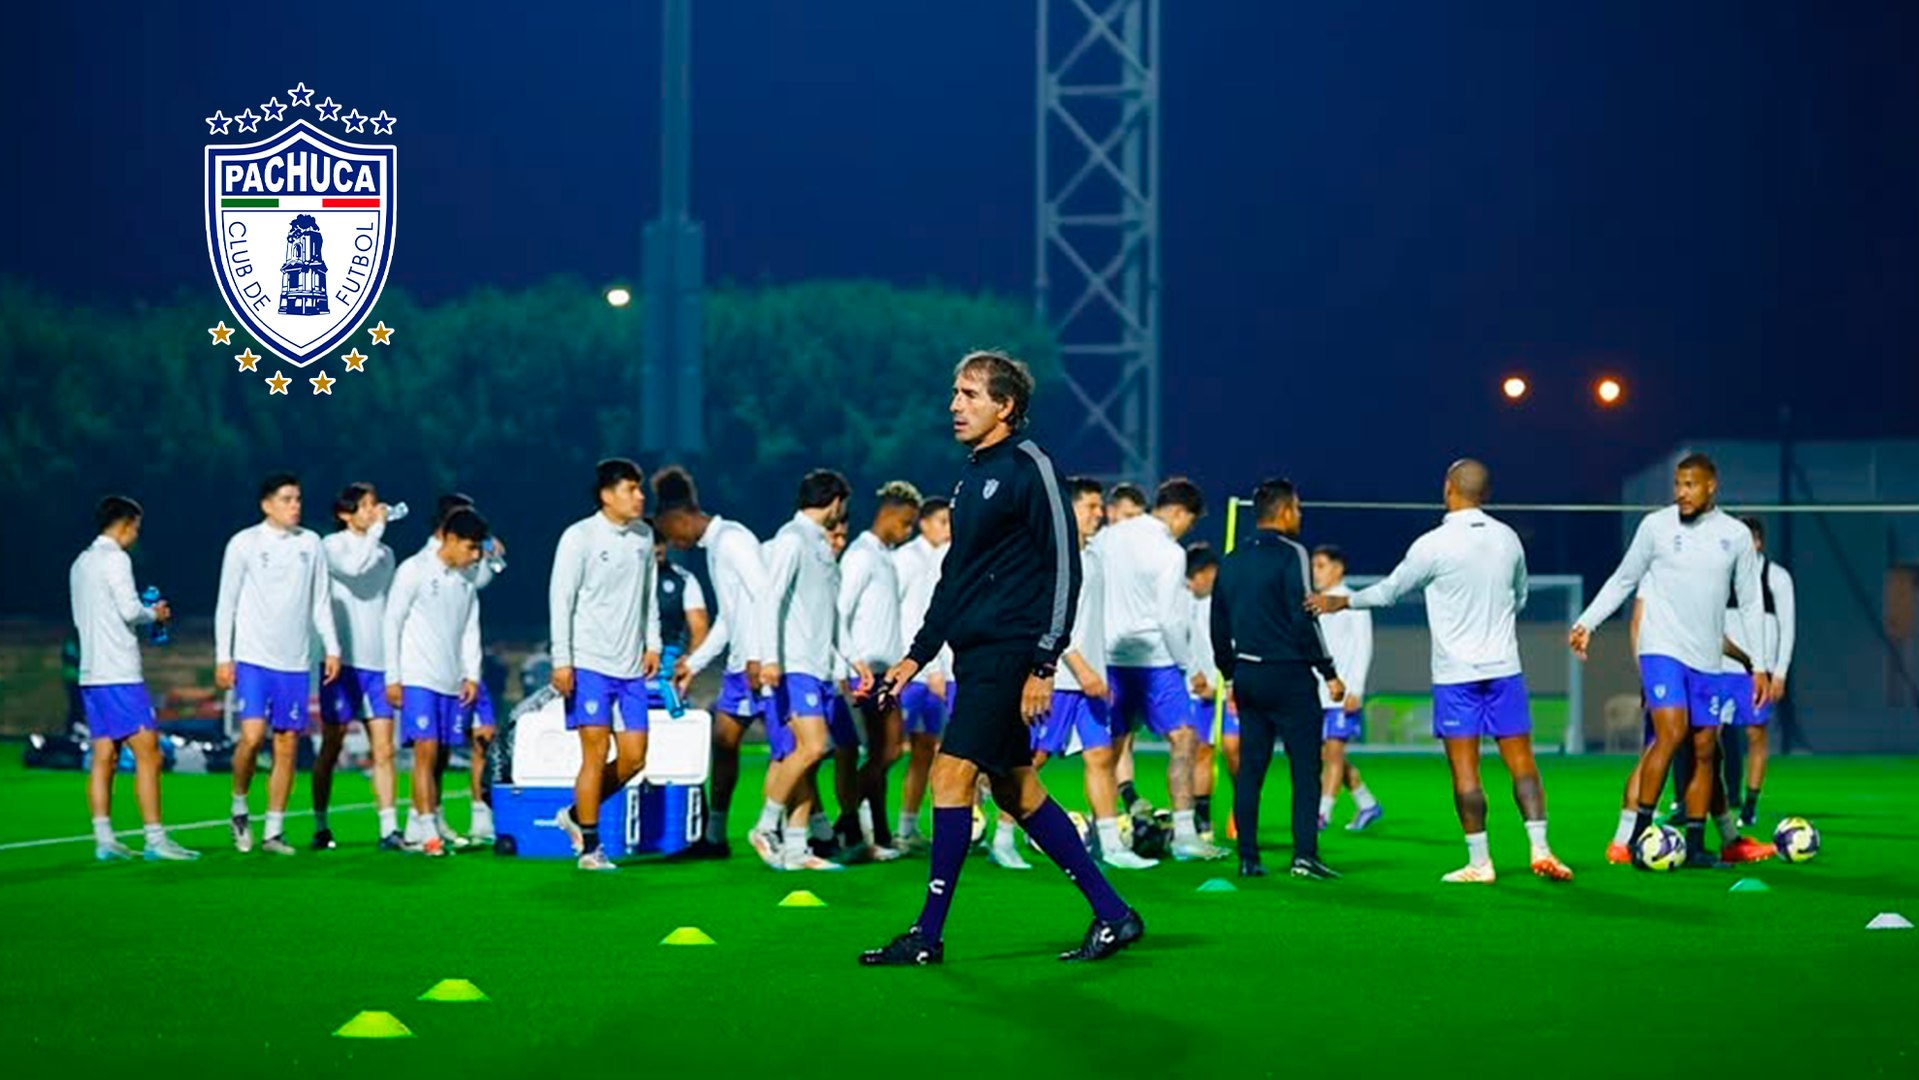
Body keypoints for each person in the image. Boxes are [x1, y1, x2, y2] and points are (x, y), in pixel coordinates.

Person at [861, 351, 1143, 966]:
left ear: (1004, 406)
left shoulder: (1030, 465)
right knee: (1017, 789)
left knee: (950, 774)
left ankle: (927, 935)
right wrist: (915, 658)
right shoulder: (972, 476)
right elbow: (955, 577)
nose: (954, 405)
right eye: (954, 393)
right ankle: (1115, 915)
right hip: (975, 653)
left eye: (968, 394)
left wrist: (1044, 663)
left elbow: (1064, 566)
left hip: (1009, 654)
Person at [1314, 460, 1573, 883]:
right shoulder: (1508, 539)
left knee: (1466, 772)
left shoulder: (1432, 544)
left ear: (1448, 488)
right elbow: (1520, 596)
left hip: (1456, 676)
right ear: (1485, 494)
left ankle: (1480, 862)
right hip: (1505, 667)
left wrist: (1341, 601)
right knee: (1523, 764)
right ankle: (1541, 849)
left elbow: (1390, 591)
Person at [1571, 453, 1772, 869]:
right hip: (1661, 647)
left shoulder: (1734, 535)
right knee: (1672, 731)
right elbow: (1623, 579)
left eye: (1690, 485)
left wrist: (1761, 665)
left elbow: (1751, 602)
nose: (1681, 493)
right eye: (1677, 484)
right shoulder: (1656, 527)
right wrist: (1587, 622)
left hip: (1706, 657)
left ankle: (1697, 847)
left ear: (1711, 486)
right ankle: (1640, 839)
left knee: (1704, 747)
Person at [1210, 479, 1343, 879]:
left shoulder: (1231, 559)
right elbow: (1304, 616)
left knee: (1251, 767)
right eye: (1297, 508)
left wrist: (1230, 671)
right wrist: (1328, 671)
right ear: (1284, 511)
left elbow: (1217, 622)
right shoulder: (1292, 554)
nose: (1299, 515)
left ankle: (1248, 857)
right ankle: (1304, 856)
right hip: (1289, 675)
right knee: (1305, 769)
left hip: (1248, 673)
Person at [1030, 476, 1159, 871]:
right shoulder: (1054, 556)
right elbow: (1047, 622)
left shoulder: (1095, 557)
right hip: (1062, 679)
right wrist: (1084, 670)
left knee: (1101, 757)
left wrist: (1099, 673)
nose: (1098, 513)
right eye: (1090, 506)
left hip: (1091, 683)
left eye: (1100, 506)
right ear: (1068, 510)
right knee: (1031, 760)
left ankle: (1111, 845)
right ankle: (1001, 838)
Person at [1095, 477, 1223, 861]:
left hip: (1111, 658)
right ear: (1180, 513)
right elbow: (1169, 620)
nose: (1187, 530)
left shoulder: (1109, 538)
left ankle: (1109, 837)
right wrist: (1189, 667)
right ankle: (1185, 836)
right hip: (1155, 661)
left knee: (1109, 749)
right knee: (1184, 740)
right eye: (1190, 522)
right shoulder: (1169, 552)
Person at [215, 472, 341, 855]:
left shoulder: (312, 544)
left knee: (287, 744)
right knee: (252, 739)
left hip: (295, 662)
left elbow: (321, 600)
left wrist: (332, 648)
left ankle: (273, 831)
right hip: (254, 659)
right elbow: (227, 603)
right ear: (266, 504)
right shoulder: (244, 543)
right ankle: (239, 807)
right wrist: (224, 656)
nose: (295, 506)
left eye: (298, 499)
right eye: (287, 499)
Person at [546, 459, 664, 871]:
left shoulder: (643, 536)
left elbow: (648, 595)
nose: (639, 496)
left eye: (639, 489)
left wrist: (654, 643)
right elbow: (561, 599)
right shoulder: (579, 537)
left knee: (635, 758)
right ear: (606, 495)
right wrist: (563, 660)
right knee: (594, 752)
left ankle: (576, 815)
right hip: (590, 663)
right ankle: (590, 847)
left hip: (631, 666)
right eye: (631, 489)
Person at [69, 495, 198, 861]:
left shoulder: (81, 563)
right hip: (119, 671)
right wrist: (154, 612)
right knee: (149, 754)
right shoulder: (116, 559)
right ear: (125, 524)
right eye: (136, 527)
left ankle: (104, 839)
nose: (137, 535)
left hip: (91, 671)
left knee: (104, 755)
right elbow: (129, 611)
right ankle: (156, 839)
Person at [659, 465, 777, 859]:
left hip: (760, 666)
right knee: (723, 742)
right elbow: (729, 616)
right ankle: (714, 838)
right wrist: (694, 662)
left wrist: (763, 656)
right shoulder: (715, 547)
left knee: (790, 751)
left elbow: (765, 594)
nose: (672, 543)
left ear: (680, 518)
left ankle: (814, 832)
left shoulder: (732, 540)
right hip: (740, 668)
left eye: (670, 532)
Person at [747, 469, 852, 872]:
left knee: (806, 756)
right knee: (813, 747)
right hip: (795, 666)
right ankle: (765, 826)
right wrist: (769, 657)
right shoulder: (792, 540)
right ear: (834, 502)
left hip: (819, 667)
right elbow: (769, 599)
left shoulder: (820, 546)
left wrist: (851, 659)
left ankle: (795, 848)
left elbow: (830, 613)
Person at [383, 507, 488, 858]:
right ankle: (428, 830)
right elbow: (392, 622)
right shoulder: (413, 570)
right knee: (425, 750)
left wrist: (471, 674)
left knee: (440, 753)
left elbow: (470, 630)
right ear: (450, 539)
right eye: (471, 548)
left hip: (449, 680)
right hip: (418, 678)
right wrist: (393, 677)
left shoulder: (465, 582)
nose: (475, 556)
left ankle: (417, 823)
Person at [837, 480, 923, 860]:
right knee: (883, 751)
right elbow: (839, 611)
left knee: (887, 752)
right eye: (905, 524)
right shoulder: (859, 555)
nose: (907, 532)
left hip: (886, 672)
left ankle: (874, 831)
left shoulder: (885, 556)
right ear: (887, 514)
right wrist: (849, 665)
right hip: (865, 671)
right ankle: (854, 824)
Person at [315, 482, 401, 851]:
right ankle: (321, 824)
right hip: (343, 662)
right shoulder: (330, 547)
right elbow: (354, 567)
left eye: (373, 504)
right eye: (364, 506)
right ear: (344, 514)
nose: (372, 510)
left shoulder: (385, 553)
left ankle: (388, 829)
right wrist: (378, 528)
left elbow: (391, 605)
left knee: (384, 749)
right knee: (332, 746)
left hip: (379, 663)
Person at [1721, 516, 1793, 826]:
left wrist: (1780, 671)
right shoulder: (1721, 578)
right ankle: (1714, 804)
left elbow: (1788, 626)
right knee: (1708, 739)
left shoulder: (1776, 577)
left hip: (1757, 673)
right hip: (1719, 670)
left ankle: (1749, 807)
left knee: (1755, 735)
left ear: (1759, 542)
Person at [892, 495, 952, 853]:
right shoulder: (904, 560)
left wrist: (939, 667)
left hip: (933, 673)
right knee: (888, 750)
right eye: (942, 522)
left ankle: (906, 828)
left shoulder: (943, 560)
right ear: (924, 523)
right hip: (909, 672)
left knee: (924, 752)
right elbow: (895, 614)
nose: (948, 529)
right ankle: (866, 823)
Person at [1311, 545, 1382, 831]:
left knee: (1334, 752)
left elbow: (1364, 647)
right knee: (1325, 755)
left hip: (1343, 694)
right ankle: (1367, 803)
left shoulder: (1353, 601)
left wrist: (1357, 688)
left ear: (1338, 568)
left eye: (1321, 565)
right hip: (1317, 693)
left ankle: (1322, 814)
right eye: (1314, 565)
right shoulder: (1313, 602)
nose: (1315, 571)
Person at [1184, 543, 1222, 838]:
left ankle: (1202, 820)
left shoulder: (1222, 602)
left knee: (1206, 751)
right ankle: (1189, 819)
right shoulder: (1181, 600)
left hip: (1216, 690)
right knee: (1190, 751)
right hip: (1188, 689)